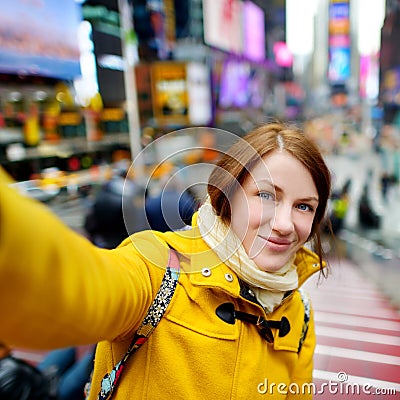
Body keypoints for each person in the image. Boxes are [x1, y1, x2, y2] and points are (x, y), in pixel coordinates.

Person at [0, 122, 332, 399]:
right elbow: (73, 289)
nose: (286, 224)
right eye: (266, 195)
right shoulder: (160, 266)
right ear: (230, 193)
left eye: (304, 206)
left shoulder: (298, 312)